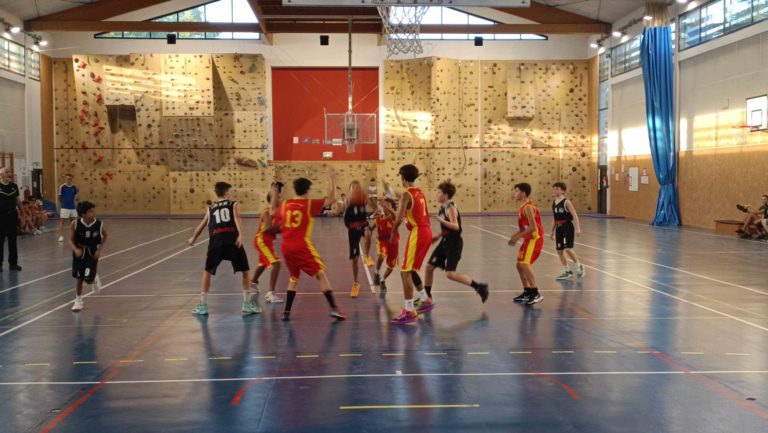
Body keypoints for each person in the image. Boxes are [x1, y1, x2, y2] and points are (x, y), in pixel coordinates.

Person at [276, 172, 346, 321]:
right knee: (321, 274)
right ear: (307, 190)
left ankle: (286, 312)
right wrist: (332, 180)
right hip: (301, 246)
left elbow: (276, 220)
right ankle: (334, 309)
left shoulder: (285, 204)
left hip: (286, 247)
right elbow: (332, 199)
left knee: (293, 278)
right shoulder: (308, 204)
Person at [187, 182, 260, 316]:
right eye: (230, 191)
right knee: (245, 270)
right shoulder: (233, 204)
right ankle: (247, 304)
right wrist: (241, 234)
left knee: (207, 271)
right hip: (232, 240)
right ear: (226, 192)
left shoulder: (210, 208)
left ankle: (203, 305)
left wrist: (193, 238)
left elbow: (201, 226)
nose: (231, 193)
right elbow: (237, 218)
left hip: (216, 242)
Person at [424, 180, 489, 303]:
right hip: (445, 241)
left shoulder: (450, 208)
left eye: (439, 192)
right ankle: (427, 297)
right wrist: (438, 236)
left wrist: (441, 221)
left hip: (454, 244)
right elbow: (448, 228)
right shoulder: (443, 207)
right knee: (428, 267)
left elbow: (455, 226)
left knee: (450, 274)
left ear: (446, 195)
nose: (437, 194)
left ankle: (479, 287)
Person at [391, 164, 433, 324]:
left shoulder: (406, 194)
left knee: (405, 272)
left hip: (419, 232)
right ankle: (425, 300)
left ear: (402, 177)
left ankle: (409, 311)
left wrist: (393, 231)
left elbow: (399, 216)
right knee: (411, 269)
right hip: (426, 230)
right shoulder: (419, 192)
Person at [510, 183, 544, 306]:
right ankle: (527, 292)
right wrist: (514, 236)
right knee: (519, 265)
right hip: (528, 239)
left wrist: (517, 237)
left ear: (523, 193)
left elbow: (533, 227)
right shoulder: (522, 207)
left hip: (535, 239)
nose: (514, 193)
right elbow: (523, 228)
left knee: (525, 264)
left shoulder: (528, 207)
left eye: (516, 191)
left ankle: (536, 293)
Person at [69, 201, 106, 312]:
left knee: (88, 278)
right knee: (79, 278)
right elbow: (70, 240)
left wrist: (99, 250)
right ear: (83, 214)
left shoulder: (98, 224)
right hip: (79, 252)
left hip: (92, 252)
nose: (93, 213)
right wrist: (75, 249)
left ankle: (93, 278)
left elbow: (105, 236)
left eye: (93, 211)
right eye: (90, 211)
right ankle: (78, 300)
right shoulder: (75, 224)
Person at [251, 182, 284, 304]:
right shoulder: (267, 212)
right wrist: (283, 228)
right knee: (276, 263)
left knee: (263, 263)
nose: (281, 199)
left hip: (267, 241)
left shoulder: (277, 212)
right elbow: (268, 229)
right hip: (262, 241)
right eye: (278, 197)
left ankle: (253, 282)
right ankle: (270, 293)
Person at [550, 182, 585, 280]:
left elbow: (575, 215)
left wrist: (578, 228)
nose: (554, 190)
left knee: (568, 249)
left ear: (562, 191)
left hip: (567, 226)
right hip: (558, 228)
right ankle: (567, 271)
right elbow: (555, 218)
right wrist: (552, 232)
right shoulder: (554, 203)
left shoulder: (566, 202)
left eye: (556, 189)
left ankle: (579, 265)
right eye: (553, 189)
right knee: (559, 251)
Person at [344, 181, 369, 298]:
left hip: (363, 225)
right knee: (355, 259)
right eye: (353, 187)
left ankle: (367, 256)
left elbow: (371, 202)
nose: (355, 189)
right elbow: (339, 209)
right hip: (353, 229)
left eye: (357, 187)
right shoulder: (347, 201)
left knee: (368, 233)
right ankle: (356, 283)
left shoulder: (363, 199)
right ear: (349, 190)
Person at [372, 196, 399, 292]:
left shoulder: (393, 217)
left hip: (394, 243)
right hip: (383, 241)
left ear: (392, 207)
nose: (385, 207)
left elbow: (394, 214)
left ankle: (382, 280)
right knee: (382, 255)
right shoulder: (378, 217)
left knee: (391, 267)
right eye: (384, 205)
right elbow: (373, 226)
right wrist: (369, 230)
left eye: (388, 205)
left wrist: (385, 205)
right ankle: (376, 273)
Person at [0, 167, 21, 272]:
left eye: (9, 172)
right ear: (1, 175)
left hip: (12, 216)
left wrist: (22, 213)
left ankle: (13, 263)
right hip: (1, 217)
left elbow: (18, 200)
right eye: (6, 172)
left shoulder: (14, 186)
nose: (9, 174)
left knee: (13, 241)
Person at [58, 174, 78, 242]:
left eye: (70, 178)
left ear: (72, 179)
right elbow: (59, 197)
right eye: (67, 179)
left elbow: (76, 196)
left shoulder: (74, 187)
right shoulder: (62, 187)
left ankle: (74, 236)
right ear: (66, 179)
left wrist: (76, 201)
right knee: (62, 222)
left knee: (74, 222)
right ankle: (61, 236)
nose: (68, 180)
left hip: (72, 207)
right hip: (64, 207)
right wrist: (63, 204)